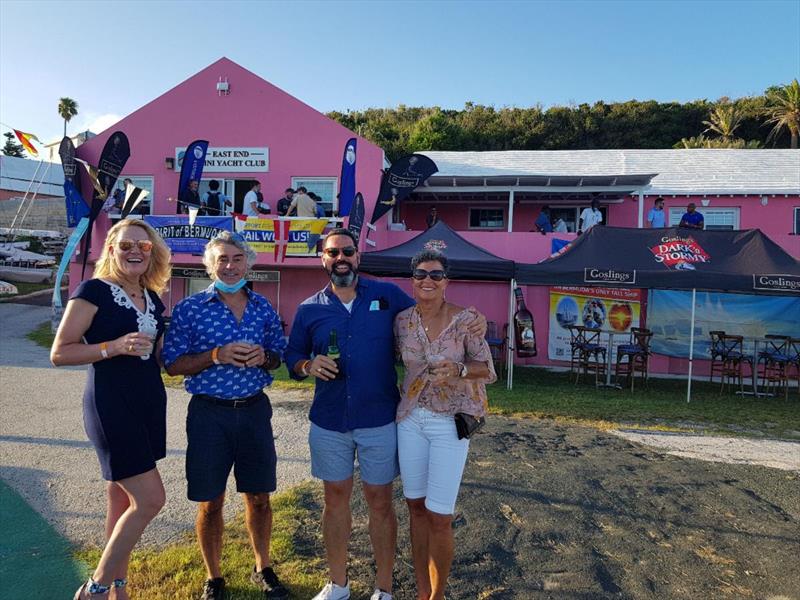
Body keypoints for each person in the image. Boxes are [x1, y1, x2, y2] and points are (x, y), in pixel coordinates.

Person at [286, 229, 485, 600]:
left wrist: (472, 320)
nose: (340, 257)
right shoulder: (308, 309)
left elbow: (429, 307)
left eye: (347, 250)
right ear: (323, 259)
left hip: (380, 418)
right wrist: (305, 364)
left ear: (358, 257)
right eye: (333, 252)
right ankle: (339, 585)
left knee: (381, 502)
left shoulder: (386, 295)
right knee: (334, 501)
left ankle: (385, 588)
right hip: (330, 420)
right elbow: (291, 356)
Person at [162, 231, 289, 600]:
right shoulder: (190, 308)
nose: (230, 266)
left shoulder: (263, 307)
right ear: (209, 264)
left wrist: (264, 357)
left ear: (248, 263)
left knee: (260, 496)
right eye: (222, 260)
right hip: (209, 414)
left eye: (237, 259)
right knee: (210, 500)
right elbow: (172, 364)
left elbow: (278, 354)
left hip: (253, 410)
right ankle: (213, 577)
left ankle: (262, 567)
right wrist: (215, 355)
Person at [51, 219, 171, 600]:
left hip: (148, 403)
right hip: (111, 403)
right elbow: (61, 352)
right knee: (151, 499)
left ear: (154, 253)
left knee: (121, 498)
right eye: (127, 245)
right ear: (112, 250)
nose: (136, 251)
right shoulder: (94, 291)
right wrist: (112, 347)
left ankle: (120, 585)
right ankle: (96, 587)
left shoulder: (152, 297)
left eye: (144, 246)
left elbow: (160, 355)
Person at [393, 249, 496, 600]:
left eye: (436, 275)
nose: (428, 281)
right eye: (421, 274)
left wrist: (460, 371)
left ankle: (437, 596)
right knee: (415, 509)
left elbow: (489, 370)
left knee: (439, 515)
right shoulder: (402, 321)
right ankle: (422, 592)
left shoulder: (466, 320)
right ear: (413, 280)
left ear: (446, 282)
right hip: (409, 420)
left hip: (449, 424)